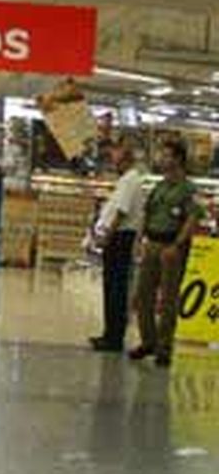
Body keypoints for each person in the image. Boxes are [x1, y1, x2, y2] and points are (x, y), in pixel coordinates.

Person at [130, 138, 202, 367]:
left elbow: (192, 218)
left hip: (171, 247)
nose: (162, 159)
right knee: (143, 296)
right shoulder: (159, 186)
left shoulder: (188, 189)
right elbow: (147, 213)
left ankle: (164, 347)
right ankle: (147, 340)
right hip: (152, 242)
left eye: (167, 155)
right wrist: (140, 238)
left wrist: (177, 245)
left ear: (178, 159)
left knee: (168, 299)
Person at [89, 141, 145, 354]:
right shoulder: (126, 179)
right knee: (111, 286)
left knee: (116, 288)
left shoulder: (130, 180)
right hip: (118, 237)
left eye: (116, 159)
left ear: (127, 160)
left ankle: (113, 338)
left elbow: (121, 213)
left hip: (120, 238)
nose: (114, 163)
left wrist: (107, 237)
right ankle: (108, 334)